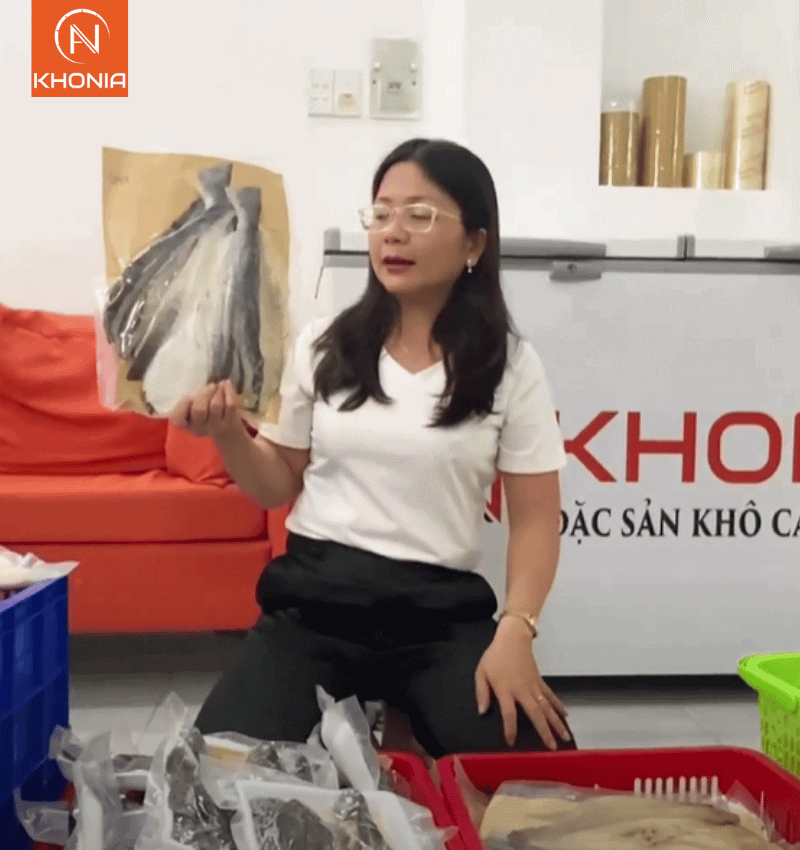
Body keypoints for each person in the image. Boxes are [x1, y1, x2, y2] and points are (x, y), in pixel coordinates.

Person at [172, 138, 577, 758]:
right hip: (315, 606)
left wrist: (516, 633)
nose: (393, 232)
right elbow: (277, 482)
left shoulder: (510, 366)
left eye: (420, 215)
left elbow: (536, 519)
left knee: (545, 781)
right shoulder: (322, 346)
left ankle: (415, 734)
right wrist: (230, 433)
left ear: (474, 242)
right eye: (381, 214)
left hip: (439, 616)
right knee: (213, 777)